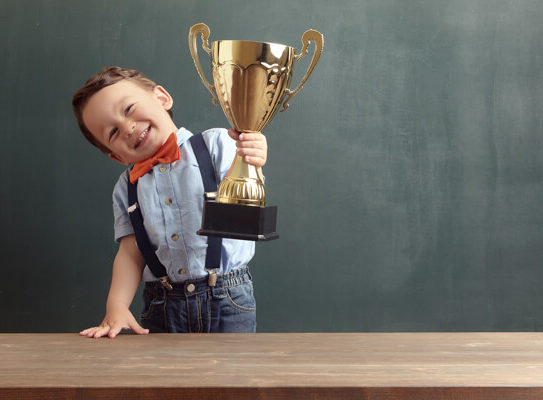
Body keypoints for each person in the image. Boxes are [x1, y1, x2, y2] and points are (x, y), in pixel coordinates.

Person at [72, 66, 267, 338]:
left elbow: (245, 221)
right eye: (113, 132)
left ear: (161, 98)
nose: (127, 127)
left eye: (128, 109)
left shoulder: (218, 145)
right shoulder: (125, 188)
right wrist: (116, 306)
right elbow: (131, 251)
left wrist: (251, 162)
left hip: (226, 298)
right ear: (116, 156)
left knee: (230, 377)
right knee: (164, 379)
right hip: (161, 305)